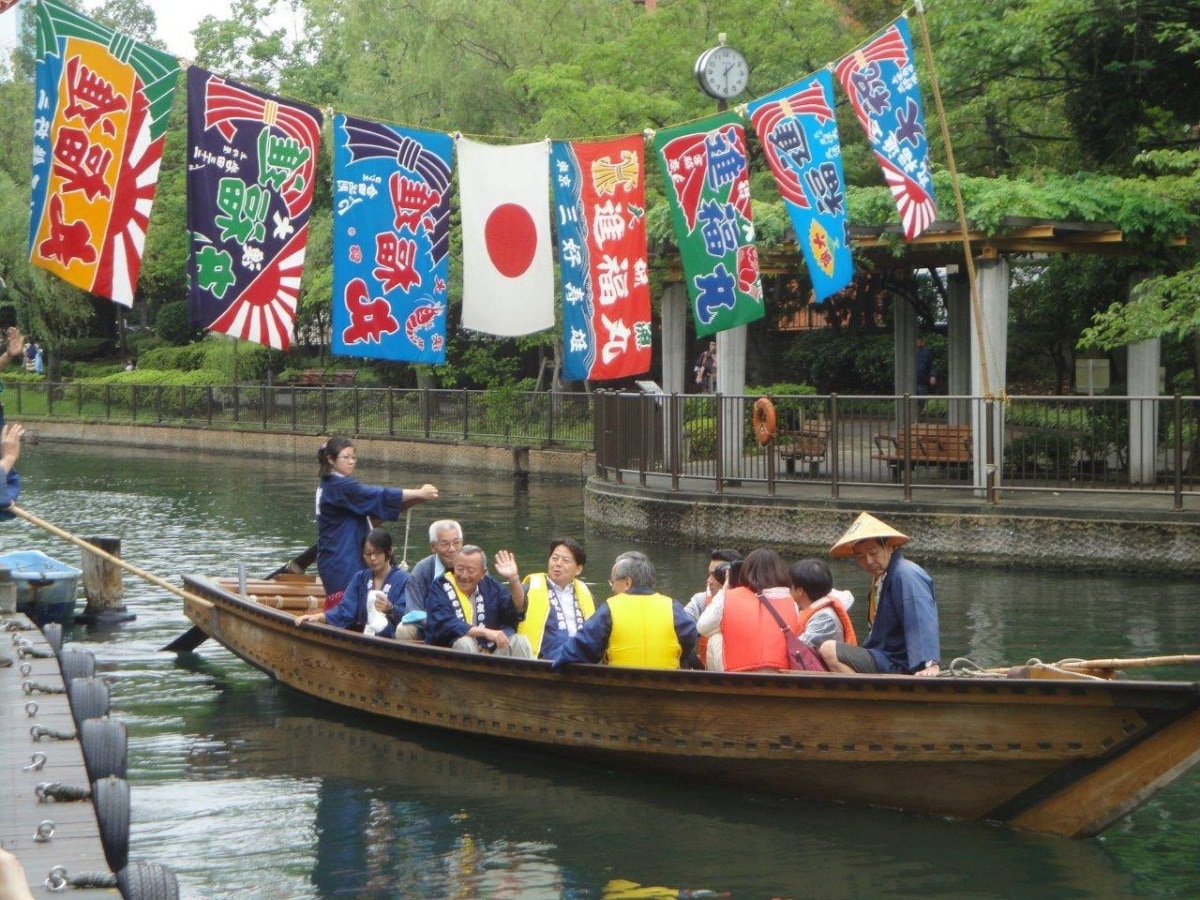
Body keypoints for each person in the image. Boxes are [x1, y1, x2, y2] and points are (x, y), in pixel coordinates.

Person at [315, 436, 438, 610]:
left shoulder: (331, 483)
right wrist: (418, 493)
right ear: (330, 459)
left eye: (353, 457)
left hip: (336, 553)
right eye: (346, 457)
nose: (351, 462)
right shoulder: (338, 485)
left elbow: (369, 499)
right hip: (342, 556)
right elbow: (375, 494)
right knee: (349, 600)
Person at [819, 512, 940, 676]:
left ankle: (865, 698)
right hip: (886, 656)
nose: (868, 561)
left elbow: (920, 618)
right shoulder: (883, 578)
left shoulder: (906, 574)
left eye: (873, 553)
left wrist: (930, 663)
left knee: (828, 649)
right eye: (861, 556)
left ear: (889, 546)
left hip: (899, 662)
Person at [552, 551, 698, 670]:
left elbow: (580, 648)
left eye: (613, 581)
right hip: (668, 692)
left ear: (627, 582)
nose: (612, 587)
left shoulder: (609, 609)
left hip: (620, 695)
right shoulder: (673, 607)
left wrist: (552, 659)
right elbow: (690, 636)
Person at [697, 547, 799, 672]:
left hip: (740, 676)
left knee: (714, 638)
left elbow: (702, 628)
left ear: (746, 571)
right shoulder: (791, 602)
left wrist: (725, 589)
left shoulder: (729, 597)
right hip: (779, 676)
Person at [296, 528, 409, 636]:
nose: (373, 558)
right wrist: (318, 617)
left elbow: (410, 616)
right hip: (366, 639)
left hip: (394, 640)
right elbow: (345, 611)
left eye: (378, 553)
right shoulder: (360, 578)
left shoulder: (405, 579)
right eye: (368, 554)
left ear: (389, 551)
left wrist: (390, 608)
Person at [425, 544, 532, 657]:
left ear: (483, 572)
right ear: (454, 567)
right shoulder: (440, 587)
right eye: (460, 569)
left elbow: (516, 609)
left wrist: (513, 578)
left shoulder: (491, 587)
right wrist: (484, 632)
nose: (464, 575)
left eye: (470, 571)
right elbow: (443, 622)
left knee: (520, 641)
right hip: (451, 656)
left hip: (490, 653)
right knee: (465, 643)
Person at [518, 537, 595, 660]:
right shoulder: (527, 590)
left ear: (578, 569)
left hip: (582, 660)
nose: (558, 564)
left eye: (565, 560)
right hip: (545, 659)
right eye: (554, 558)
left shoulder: (587, 595)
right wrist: (512, 580)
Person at [397, 519, 463, 640]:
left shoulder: (472, 566)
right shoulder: (422, 569)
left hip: (466, 627)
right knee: (403, 629)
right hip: (430, 628)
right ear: (433, 547)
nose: (452, 549)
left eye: (456, 543)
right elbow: (412, 610)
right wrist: (440, 623)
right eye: (445, 544)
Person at [789, 558, 857, 650]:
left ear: (800, 591)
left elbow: (798, 647)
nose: (789, 591)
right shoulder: (807, 610)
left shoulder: (824, 617)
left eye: (791, 587)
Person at [915, 336, 935, 409]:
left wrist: (932, 376)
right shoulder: (909, 351)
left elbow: (931, 365)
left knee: (922, 402)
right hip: (912, 381)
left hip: (922, 382)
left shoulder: (926, 352)